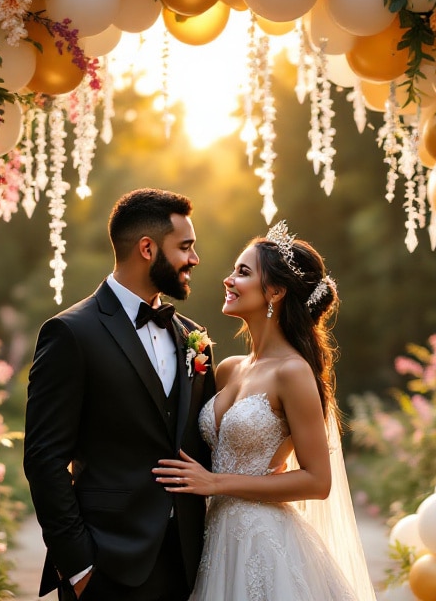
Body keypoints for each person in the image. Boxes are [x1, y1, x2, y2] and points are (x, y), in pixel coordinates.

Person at [153, 220, 374, 601]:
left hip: (265, 543)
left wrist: (216, 483)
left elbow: (317, 482)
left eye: (242, 272)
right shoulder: (227, 369)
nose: (228, 279)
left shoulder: (293, 373)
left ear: (275, 291)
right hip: (216, 538)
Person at [24, 188, 217, 601]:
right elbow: (44, 459)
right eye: (185, 247)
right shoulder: (71, 333)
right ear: (147, 248)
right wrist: (78, 565)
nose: (195, 259)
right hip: (107, 564)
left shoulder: (192, 336)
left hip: (189, 563)